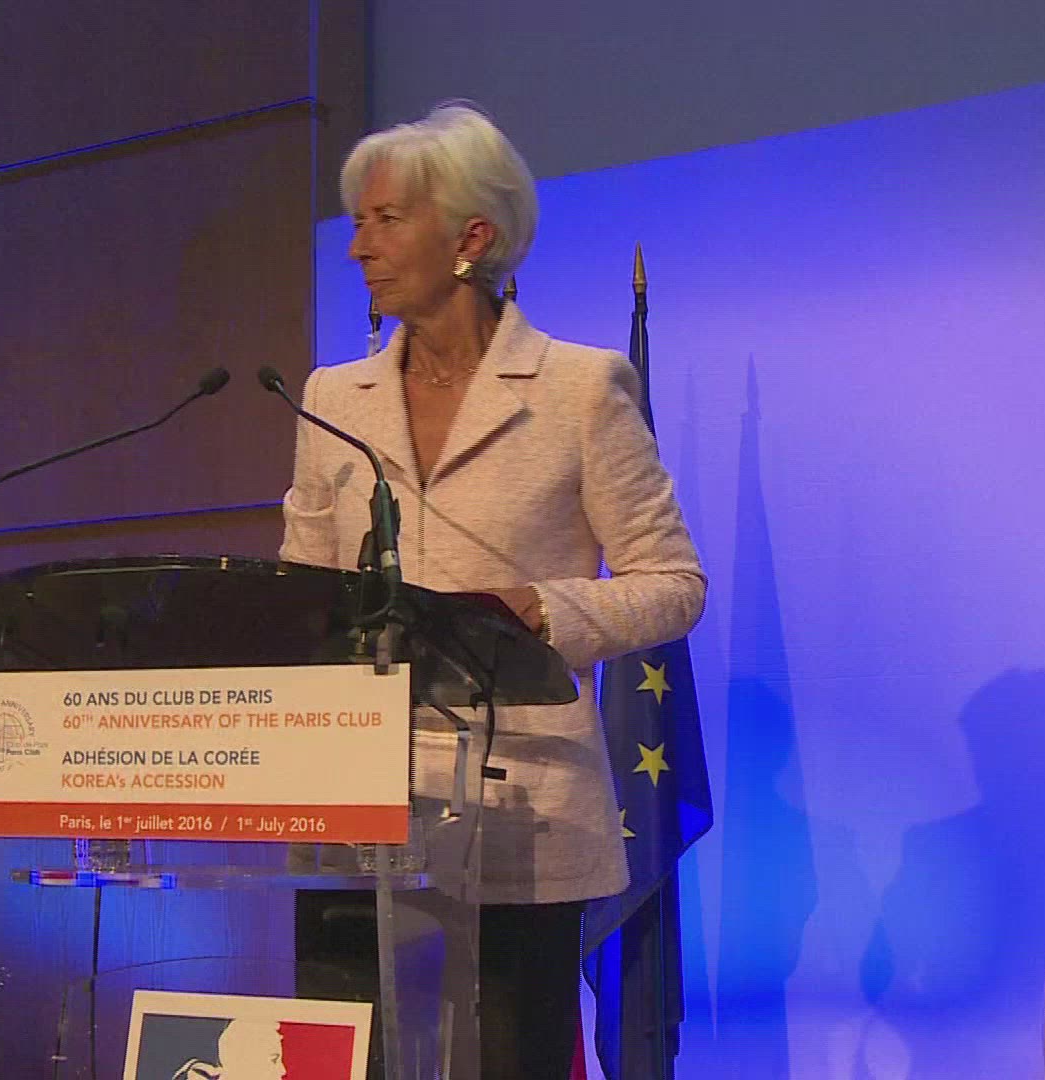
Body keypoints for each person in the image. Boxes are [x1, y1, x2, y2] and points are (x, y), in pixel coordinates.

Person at [279, 101, 705, 1080]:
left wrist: (547, 611)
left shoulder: (580, 390)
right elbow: (301, 597)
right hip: (358, 813)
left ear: (472, 238)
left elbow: (674, 584)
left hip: (521, 815)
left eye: (386, 220)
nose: (357, 247)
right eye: (357, 221)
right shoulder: (331, 399)